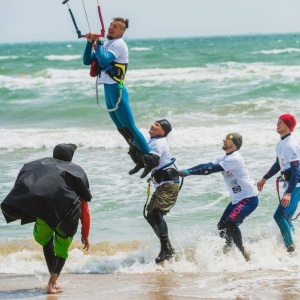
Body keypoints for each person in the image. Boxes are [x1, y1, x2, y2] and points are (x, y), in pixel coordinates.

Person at [1, 143, 92, 294]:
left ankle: (52, 278)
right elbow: (85, 209)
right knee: (62, 248)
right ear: (70, 157)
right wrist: (85, 233)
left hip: (45, 214)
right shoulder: (76, 173)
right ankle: (52, 283)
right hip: (67, 218)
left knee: (46, 240)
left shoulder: (42, 170)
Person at [179, 133, 258, 261]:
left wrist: (189, 173)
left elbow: (210, 169)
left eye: (228, 138)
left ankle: (243, 254)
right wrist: (186, 170)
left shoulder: (235, 158)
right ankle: (228, 250)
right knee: (222, 226)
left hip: (249, 199)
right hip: (237, 199)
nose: (224, 140)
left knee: (231, 223)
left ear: (235, 143)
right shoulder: (223, 157)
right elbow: (205, 166)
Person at [83, 18, 150, 166]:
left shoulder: (119, 44)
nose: (111, 28)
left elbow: (105, 60)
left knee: (130, 126)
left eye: (116, 26)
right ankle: (139, 158)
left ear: (122, 31)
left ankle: (150, 157)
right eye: (111, 25)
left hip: (117, 90)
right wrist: (89, 43)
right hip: (108, 90)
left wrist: (98, 43)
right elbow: (87, 60)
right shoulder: (107, 43)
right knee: (121, 128)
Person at [130, 119, 180, 263]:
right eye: (153, 123)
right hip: (162, 183)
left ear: (163, 131)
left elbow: (153, 161)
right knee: (150, 214)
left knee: (156, 212)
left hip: (169, 183)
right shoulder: (150, 142)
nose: (152, 125)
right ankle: (168, 247)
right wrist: (132, 148)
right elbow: (142, 162)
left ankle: (166, 249)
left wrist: (138, 152)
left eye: (157, 125)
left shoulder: (159, 142)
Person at [257, 114, 300, 253]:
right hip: (290, 185)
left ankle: (290, 248)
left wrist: (288, 193)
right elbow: (278, 164)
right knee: (286, 218)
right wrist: (264, 178)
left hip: (296, 186)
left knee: (279, 216)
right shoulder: (280, 143)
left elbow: (296, 171)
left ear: (287, 126)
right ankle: (295, 241)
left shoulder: (291, 145)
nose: (277, 124)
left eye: (280, 122)